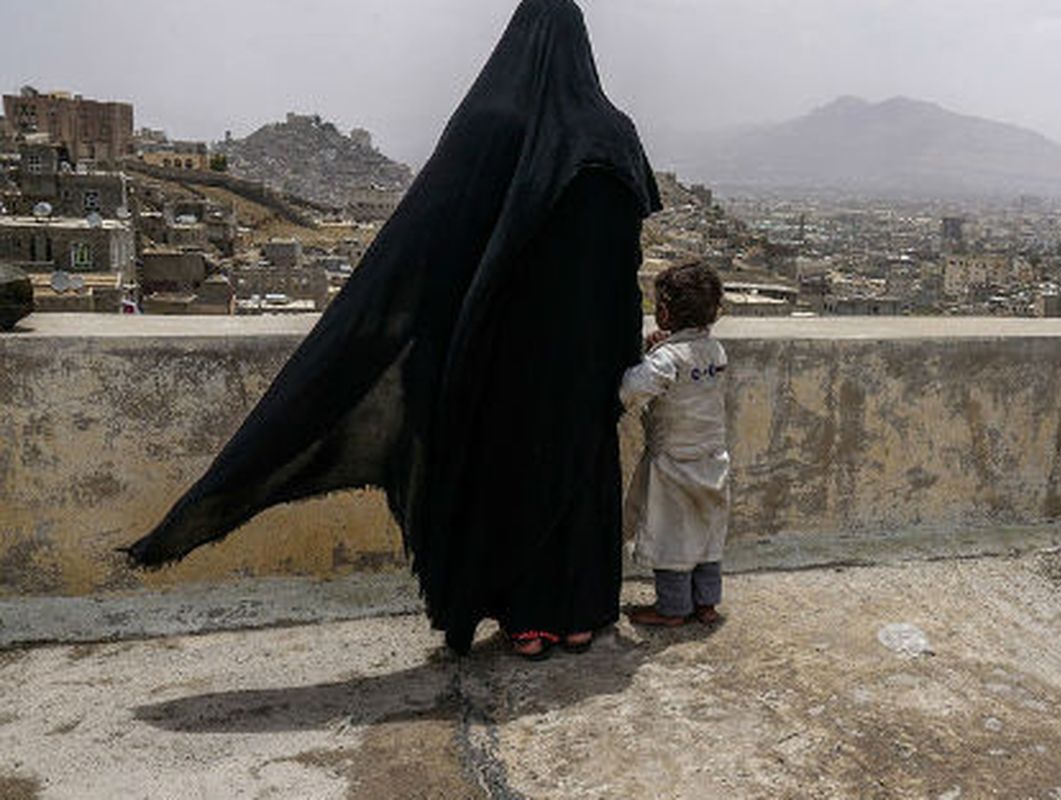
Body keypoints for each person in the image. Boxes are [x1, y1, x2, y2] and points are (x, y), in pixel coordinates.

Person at [124, 0, 660, 661]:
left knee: (511, 467)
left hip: (509, 347)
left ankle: (527, 621)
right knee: (582, 466)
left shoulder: (495, 122)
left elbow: (432, 231)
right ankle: (579, 615)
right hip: (592, 347)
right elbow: (626, 248)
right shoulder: (614, 132)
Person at [620, 262, 731, 627]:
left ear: (664, 313)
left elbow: (632, 389)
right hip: (713, 459)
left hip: (673, 464)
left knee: (671, 536)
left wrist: (647, 353)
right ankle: (706, 604)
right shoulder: (716, 352)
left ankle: (672, 609)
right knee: (707, 534)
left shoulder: (667, 359)